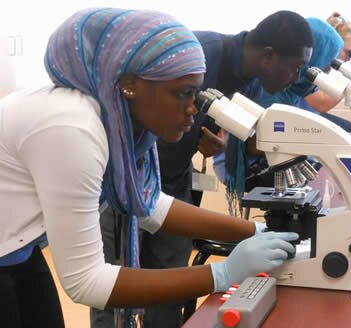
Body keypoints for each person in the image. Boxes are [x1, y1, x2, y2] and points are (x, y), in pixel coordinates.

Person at [0, 7, 299, 328]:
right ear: (130, 84)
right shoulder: (75, 129)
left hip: (18, 248)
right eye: (182, 94)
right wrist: (222, 274)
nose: (191, 111)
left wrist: (254, 231)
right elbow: (86, 281)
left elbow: (148, 205)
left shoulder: (110, 119)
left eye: (194, 95)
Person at [92, 10, 314, 328]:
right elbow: (90, 282)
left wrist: (212, 143)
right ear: (268, 55)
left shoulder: (251, 85)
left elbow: (208, 132)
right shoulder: (199, 52)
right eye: (295, 68)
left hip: (172, 182)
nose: (295, 78)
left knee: (170, 286)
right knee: (113, 291)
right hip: (122, 181)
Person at [213, 17, 351, 213]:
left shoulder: (292, 90)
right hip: (244, 167)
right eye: (326, 63)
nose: (326, 70)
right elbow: (254, 147)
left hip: (272, 159)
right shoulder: (271, 89)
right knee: (325, 172)